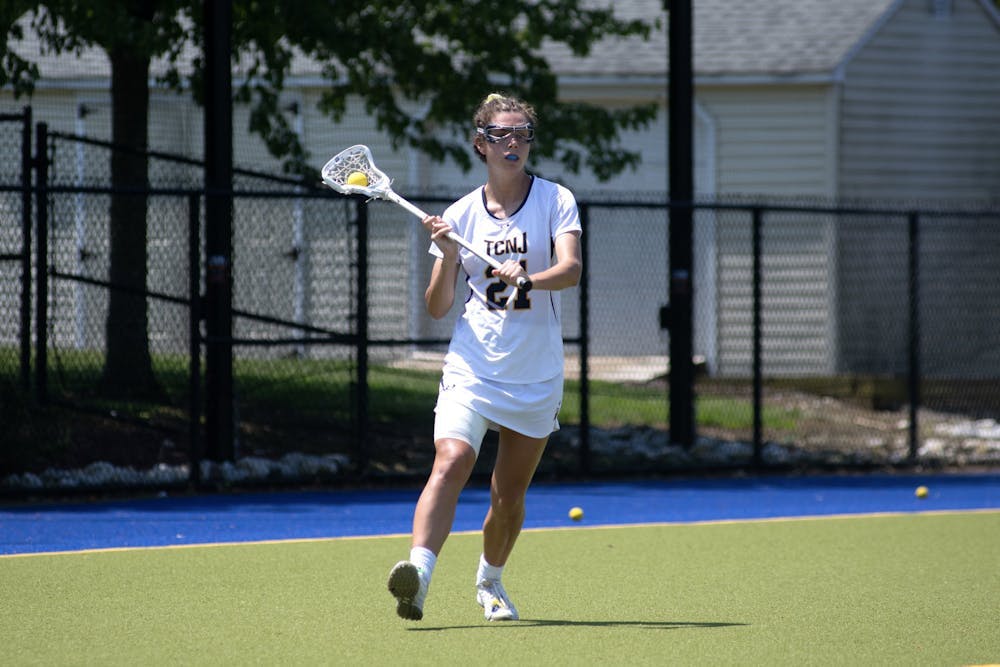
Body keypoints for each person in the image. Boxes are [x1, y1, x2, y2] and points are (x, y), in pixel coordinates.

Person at [386, 92, 583, 622]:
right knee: (451, 460)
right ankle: (419, 577)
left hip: (535, 372)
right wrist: (448, 257)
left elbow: (571, 270)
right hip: (473, 365)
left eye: (522, 134)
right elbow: (437, 307)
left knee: (507, 496)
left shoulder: (555, 200)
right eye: (501, 135)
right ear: (481, 144)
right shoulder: (458, 215)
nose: (513, 143)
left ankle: (489, 583)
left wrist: (531, 277)